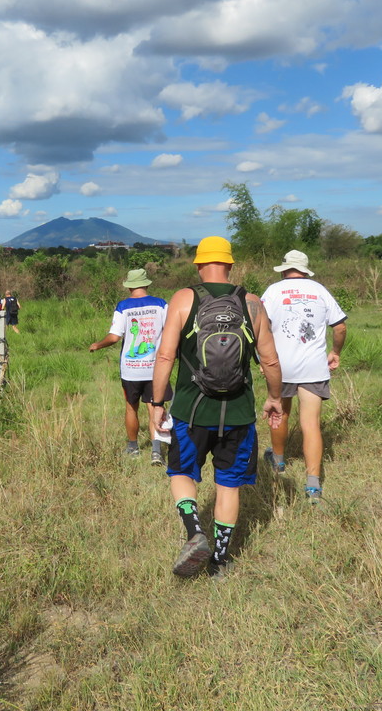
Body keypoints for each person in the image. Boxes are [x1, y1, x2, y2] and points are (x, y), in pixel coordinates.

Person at [151, 236, 283, 579]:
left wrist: (157, 402)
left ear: (198, 264)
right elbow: (270, 360)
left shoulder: (183, 299)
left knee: (182, 472)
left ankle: (195, 531)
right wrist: (274, 397)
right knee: (228, 485)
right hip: (238, 413)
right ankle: (220, 561)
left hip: (191, 411)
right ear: (230, 265)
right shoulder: (251, 303)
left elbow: (165, 356)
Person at [260, 250, 347, 504]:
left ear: (284, 270)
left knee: (280, 413)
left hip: (281, 366)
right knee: (311, 424)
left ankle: (278, 461)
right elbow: (340, 326)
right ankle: (313, 486)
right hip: (313, 367)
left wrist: (262, 360)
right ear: (305, 270)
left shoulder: (273, 292)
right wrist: (335, 352)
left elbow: (260, 328)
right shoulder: (320, 290)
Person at [90, 269, 172, 465]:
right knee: (155, 407)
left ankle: (133, 448)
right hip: (156, 369)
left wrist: (98, 345)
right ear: (147, 284)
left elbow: (114, 337)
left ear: (129, 287)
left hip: (131, 370)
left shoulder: (123, 307)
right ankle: (156, 451)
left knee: (130, 407)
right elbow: (171, 332)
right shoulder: (161, 304)